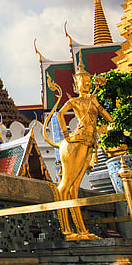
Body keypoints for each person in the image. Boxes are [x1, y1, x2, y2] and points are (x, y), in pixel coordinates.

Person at [42, 59, 112, 239]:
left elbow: (109, 118)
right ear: (76, 84)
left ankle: (82, 230)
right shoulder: (74, 101)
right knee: (65, 186)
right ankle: (66, 229)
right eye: (83, 82)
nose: (87, 84)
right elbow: (59, 114)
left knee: (74, 188)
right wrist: (65, 135)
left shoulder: (93, 100)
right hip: (77, 140)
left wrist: (103, 101)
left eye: (89, 82)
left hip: (90, 142)